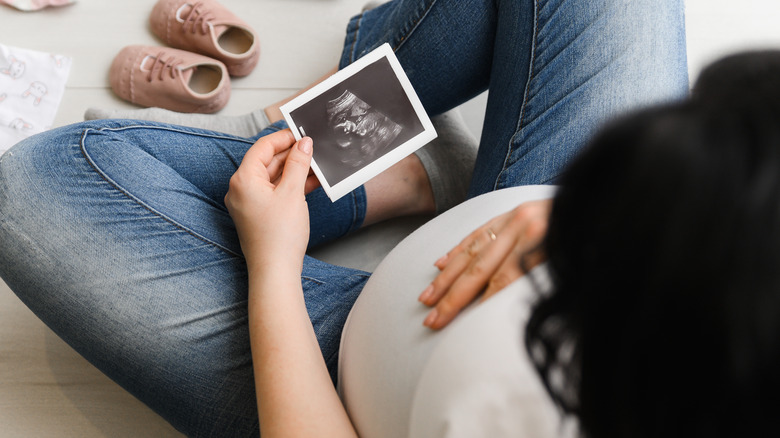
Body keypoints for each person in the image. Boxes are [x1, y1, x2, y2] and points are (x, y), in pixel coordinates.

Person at [0, 0, 688, 436]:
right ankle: (323, 138)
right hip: (549, 238)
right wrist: (586, 221)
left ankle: (350, 164)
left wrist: (272, 269)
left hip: (338, 380)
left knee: (30, 189)